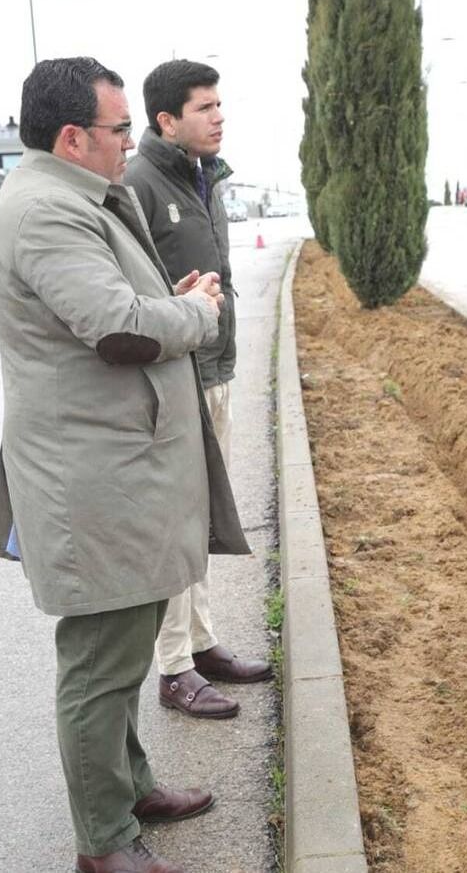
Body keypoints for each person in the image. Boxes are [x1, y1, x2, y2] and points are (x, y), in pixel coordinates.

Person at [0, 55, 251, 873]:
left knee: (125, 645)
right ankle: (104, 841)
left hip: (116, 468)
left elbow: (127, 303)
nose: (129, 140)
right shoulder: (45, 212)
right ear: (72, 136)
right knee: (99, 664)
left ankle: (129, 788)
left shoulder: (78, 196)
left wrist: (176, 298)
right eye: (119, 127)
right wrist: (194, 313)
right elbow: (118, 328)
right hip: (91, 478)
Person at [123, 59, 271, 721]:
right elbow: (125, 290)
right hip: (174, 380)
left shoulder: (204, 177)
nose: (218, 117)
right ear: (166, 120)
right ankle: (174, 667)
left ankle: (203, 643)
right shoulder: (140, 184)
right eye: (204, 107)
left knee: (202, 518)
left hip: (213, 369)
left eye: (219, 105)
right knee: (177, 527)